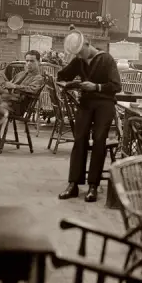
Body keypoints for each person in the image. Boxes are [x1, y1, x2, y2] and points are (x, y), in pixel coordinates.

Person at [57, 37, 121, 203]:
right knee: (79, 139)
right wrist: (68, 84)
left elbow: (116, 86)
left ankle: (93, 185)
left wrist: (96, 87)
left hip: (105, 103)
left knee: (99, 140)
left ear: (87, 44)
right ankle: (73, 184)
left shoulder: (106, 59)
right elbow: (62, 75)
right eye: (77, 54)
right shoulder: (79, 61)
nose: (81, 57)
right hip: (86, 103)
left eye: (81, 52)